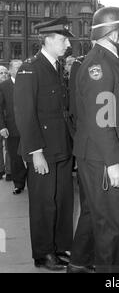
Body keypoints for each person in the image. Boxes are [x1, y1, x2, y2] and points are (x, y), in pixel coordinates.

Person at [70, 7, 119, 273]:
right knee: (111, 226)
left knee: (92, 215)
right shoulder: (99, 65)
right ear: (113, 34)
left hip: (99, 154)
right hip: (103, 157)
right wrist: (113, 162)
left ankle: (78, 263)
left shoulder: (106, 61)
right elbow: (99, 120)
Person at [14, 16, 74, 271]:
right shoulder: (30, 67)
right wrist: (35, 152)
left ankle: (60, 248)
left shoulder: (57, 66)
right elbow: (25, 114)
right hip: (42, 149)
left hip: (61, 146)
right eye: (62, 39)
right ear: (48, 40)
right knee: (43, 203)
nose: (67, 43)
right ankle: (43, 254)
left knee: (62, 200)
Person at [0, 60, 27, 195]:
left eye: (22, 67)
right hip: (12, 128)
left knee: (32, 155)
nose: (21, 70)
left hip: (29, 127)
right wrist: (2, 127)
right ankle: (18, 184)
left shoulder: (28, 83)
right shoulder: (3, 86)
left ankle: (34, 183)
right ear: (10, 70)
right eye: (17, 68)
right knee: (16, 158)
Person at [0, 66, 11, 181]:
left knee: (9, 147)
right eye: (0, 73)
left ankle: (9, 171)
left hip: (7, 120)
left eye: (5, 73)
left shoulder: (8, 86)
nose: (3, 75)